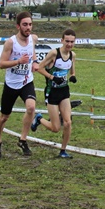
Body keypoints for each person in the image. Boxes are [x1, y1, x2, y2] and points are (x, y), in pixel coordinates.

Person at [0, 11, 38, 157]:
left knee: (31, 107)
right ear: (18, 26)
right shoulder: (11, 42)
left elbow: (33, 53)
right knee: (4, 117)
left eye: (30, 24)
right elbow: (1, 64)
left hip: (27, 81)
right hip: (11, 84)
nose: (28, 27)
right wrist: (18, 61)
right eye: (25, 25)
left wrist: (34, 62)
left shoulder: (33, 39)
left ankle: (23, 140)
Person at [32, 28, 79, 158]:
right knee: (55, 128)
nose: (69, 44)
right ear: (62, 40)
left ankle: (63, 151)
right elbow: (39, 68)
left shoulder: (72, 55)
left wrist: (73, 76)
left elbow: (72, 71)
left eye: (72, 42)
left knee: (68, 122)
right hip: (51, 92)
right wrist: (53, 78)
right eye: (67, 41)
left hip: (64, 91)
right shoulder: (54, 53)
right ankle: (39, 119)